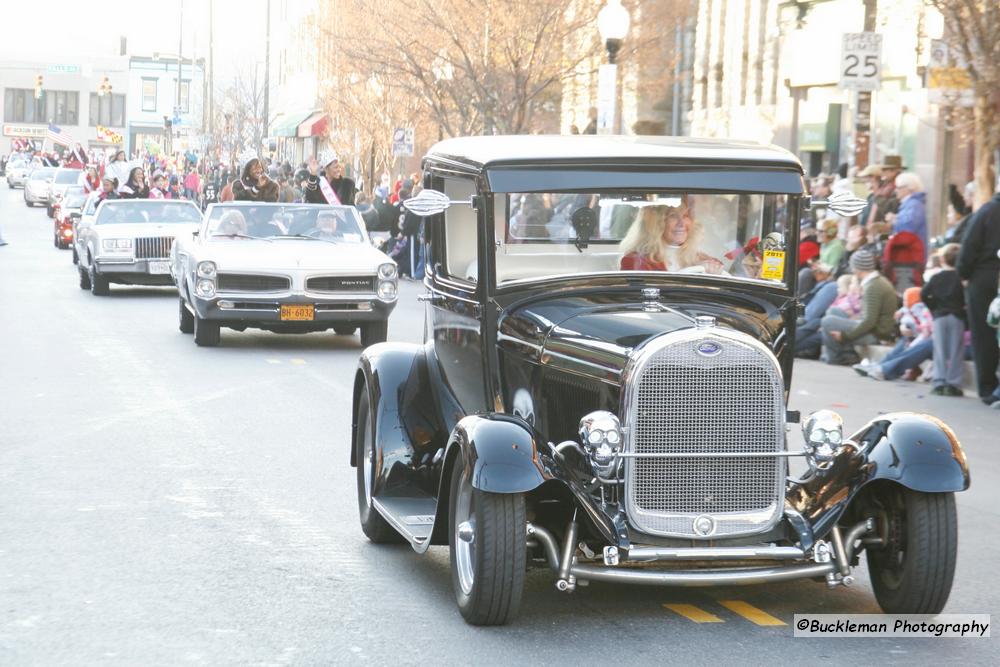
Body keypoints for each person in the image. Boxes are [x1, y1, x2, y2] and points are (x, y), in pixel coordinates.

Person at [957, 188, 1000, 405]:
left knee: (983, 333)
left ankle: (987, 386)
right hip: (988, 274)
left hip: (984, 276)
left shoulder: (988, 211)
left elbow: (970, 245)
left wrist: (964, 273)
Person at [820, 248, 898, 365]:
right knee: (834, 312)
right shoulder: (877, 281)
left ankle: (837, 357)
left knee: (827, 322)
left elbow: (869, 321)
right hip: (876, 329)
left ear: (856, 268)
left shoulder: (873, 286)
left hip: (876, 334)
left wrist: (845, 336)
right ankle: (845, 353)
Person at [619, 200, 724, 274]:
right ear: (657, 223)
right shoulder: (635, 260)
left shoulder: (700, 257)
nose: (681, 223)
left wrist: (713, 271)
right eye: (673, 216)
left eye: (685, 216)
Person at [855, 288, 934, 382]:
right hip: (928, 335)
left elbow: (926, 326)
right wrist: (904, 326)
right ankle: (881, 365)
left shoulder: (919, 307)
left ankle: (886, 369)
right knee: (908, 338)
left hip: (935, 339)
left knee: (925, 342)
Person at [920, 243, 966, 396]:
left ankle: (939, 381)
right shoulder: (961, 278)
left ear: (942, 259)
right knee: (956, 350)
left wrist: (934, 308)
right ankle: (953, 383)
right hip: (957, 315)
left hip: (939, 316)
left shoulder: (936, 277)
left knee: (939, 350)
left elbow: (924, 294)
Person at [794, 263, 838, 358]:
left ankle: (788, 346)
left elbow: (810, 315)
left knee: (814, 323)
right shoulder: (825, 286)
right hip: (813, 319)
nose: (816, 274)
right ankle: (788, 347)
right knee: (813, 324)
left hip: (817, 321)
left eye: (819, 272)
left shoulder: (831, 287)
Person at [884, 172, 928, 261]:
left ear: (909, 188)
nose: (895, 191)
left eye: (898, 188)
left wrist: (894, 220)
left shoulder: (914, 205)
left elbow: (908, 228)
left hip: (911, 255)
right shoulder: (911, 205)